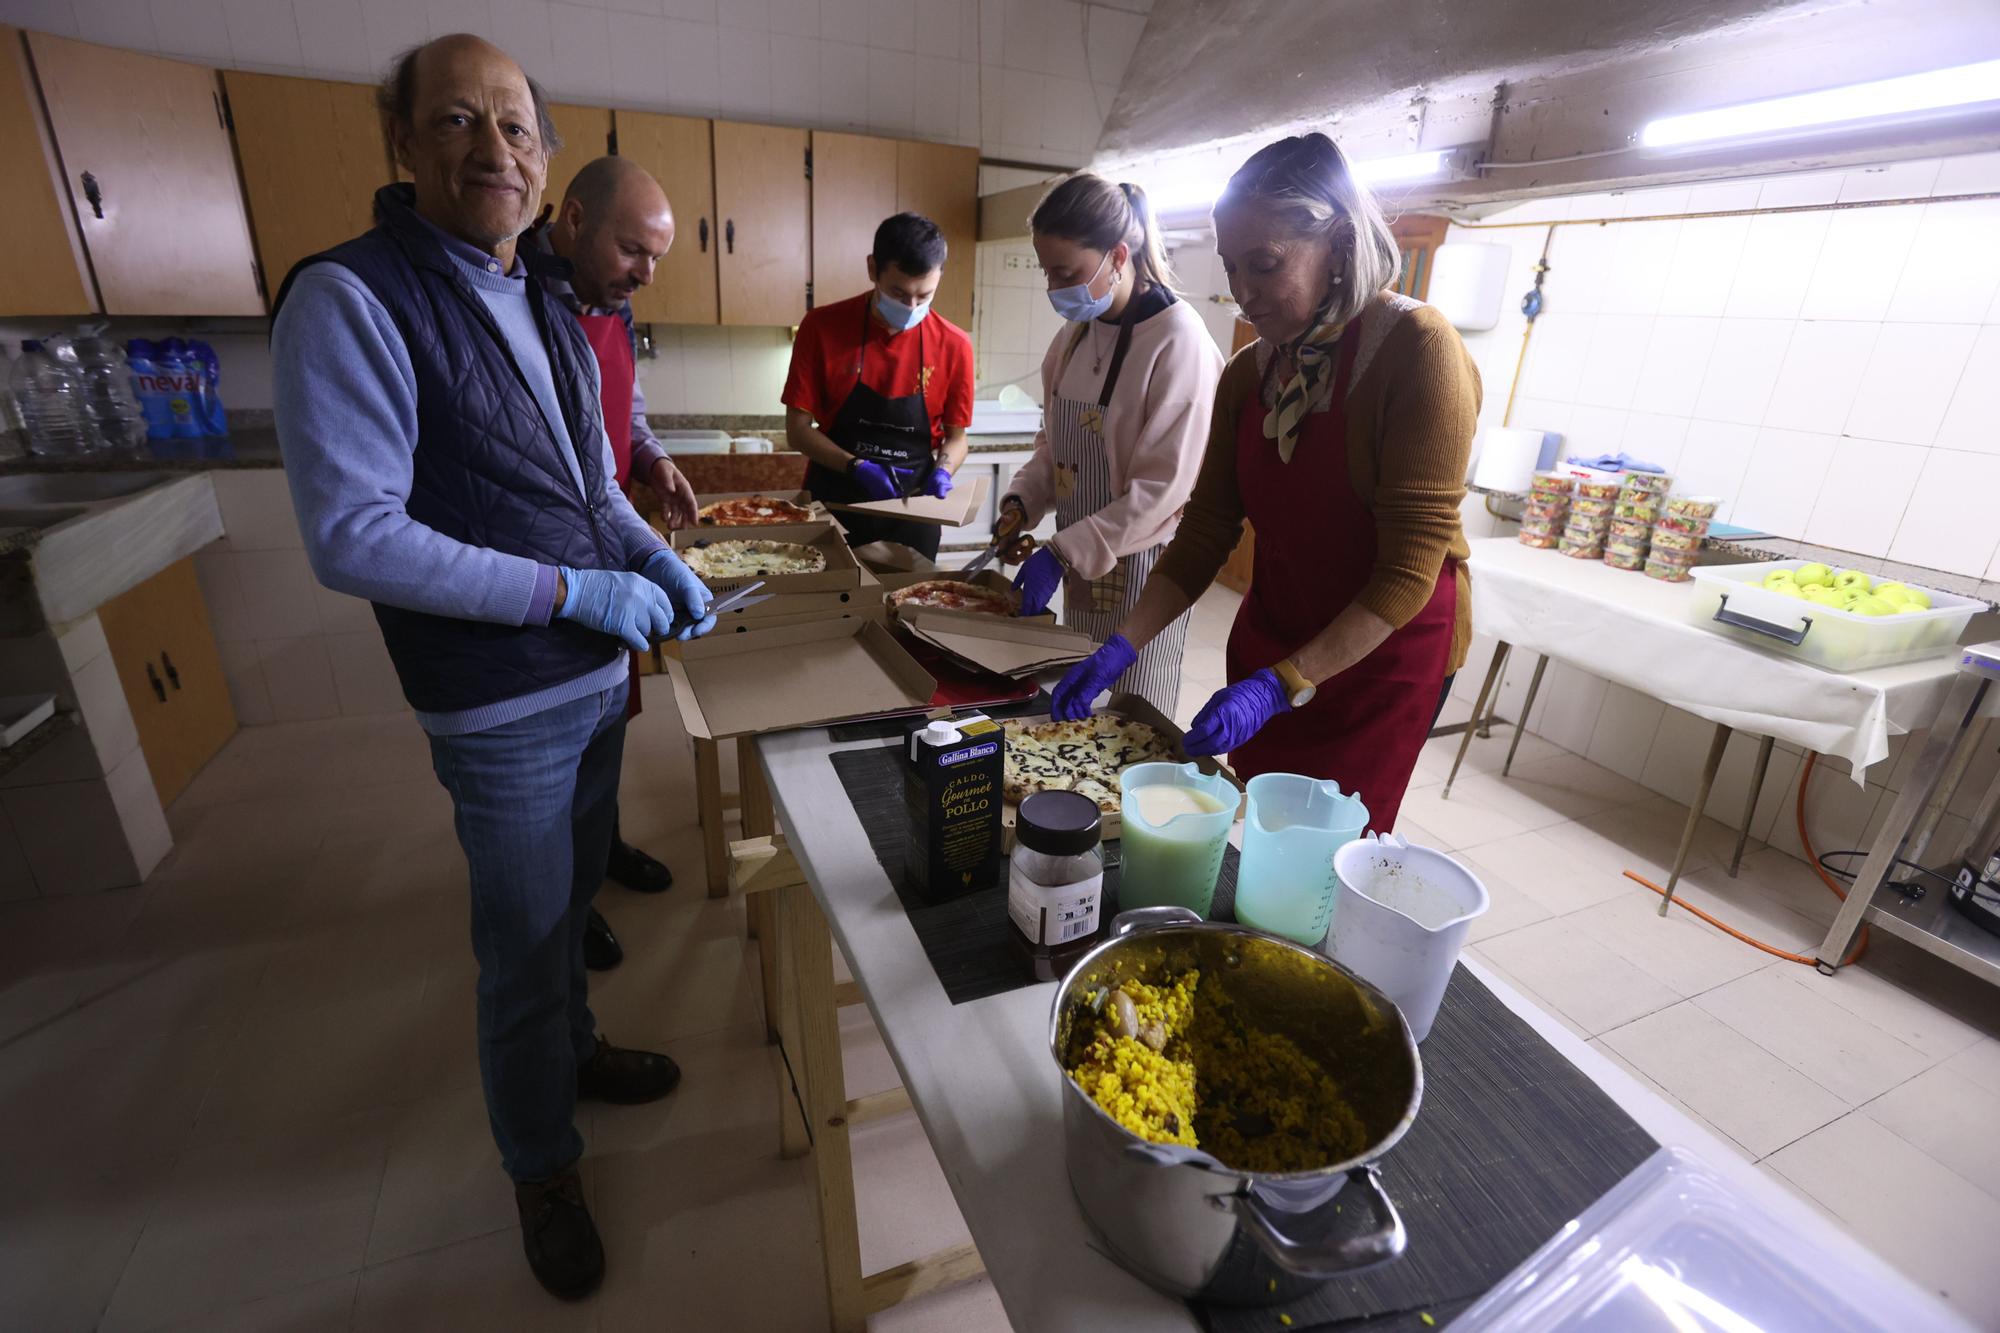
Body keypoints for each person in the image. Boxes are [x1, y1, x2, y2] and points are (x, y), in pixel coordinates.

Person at [269, 34, 716, 1301]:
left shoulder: (545, 302)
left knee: (573, 900)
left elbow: (587, 484)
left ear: (545, 160)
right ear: (402, 144)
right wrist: (580, 589)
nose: (495, 150)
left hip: (586, 678)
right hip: (497, 696)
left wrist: (649, 560)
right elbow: (354, 536)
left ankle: (568, 1054)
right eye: (459, 121)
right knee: (522, 941)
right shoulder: (350, 298)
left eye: (517, 127)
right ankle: (539, 1159)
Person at [1051, 133, 1479, 834]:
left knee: (1325, 846)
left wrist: (1283, 683)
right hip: (1276, 627)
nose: (1244, 292)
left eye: (1266, 264)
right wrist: (1121, 645)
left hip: (1377, 655)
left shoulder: (1416, 351)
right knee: (1253, 823)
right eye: (1231, 266)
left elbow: (1408, 570)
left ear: (1339, 244)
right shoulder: (1251, 374)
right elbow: (1206, 531)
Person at [529, 155, 698, 969]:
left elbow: (621, 409)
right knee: (556, 760)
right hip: (554, 566)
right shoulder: (522, 301)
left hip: (610, 545)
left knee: (609, 729)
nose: (648, 274)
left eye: (657, 257)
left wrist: (654, 455)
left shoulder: (613, 304)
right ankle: (571, 899)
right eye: (635, 251)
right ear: (572, 219)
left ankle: (602, 849)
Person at [995, 174, 1222, 718]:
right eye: (1046, 270)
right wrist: (1022, 502)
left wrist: (1063, 550)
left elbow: (1163, 493)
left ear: (1118, 255)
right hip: (1084, 574)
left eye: (1066, 272)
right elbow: (1055, 445)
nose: (1053, 287)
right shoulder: (1075, 336)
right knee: (1077, 718)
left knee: (1128, 725)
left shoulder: (1178, 342)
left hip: (1146, 579)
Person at [782, 212, 975, 558]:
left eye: (924, 296)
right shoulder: (821, 327)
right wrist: (856, 465)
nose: (912, 307)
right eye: (898, 293)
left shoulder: (955, 344)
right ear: (873, 269)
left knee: (912, 604)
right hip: (835, 503)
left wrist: (944, 469)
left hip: (913, 510)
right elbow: (797, 431)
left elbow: (957, 437)